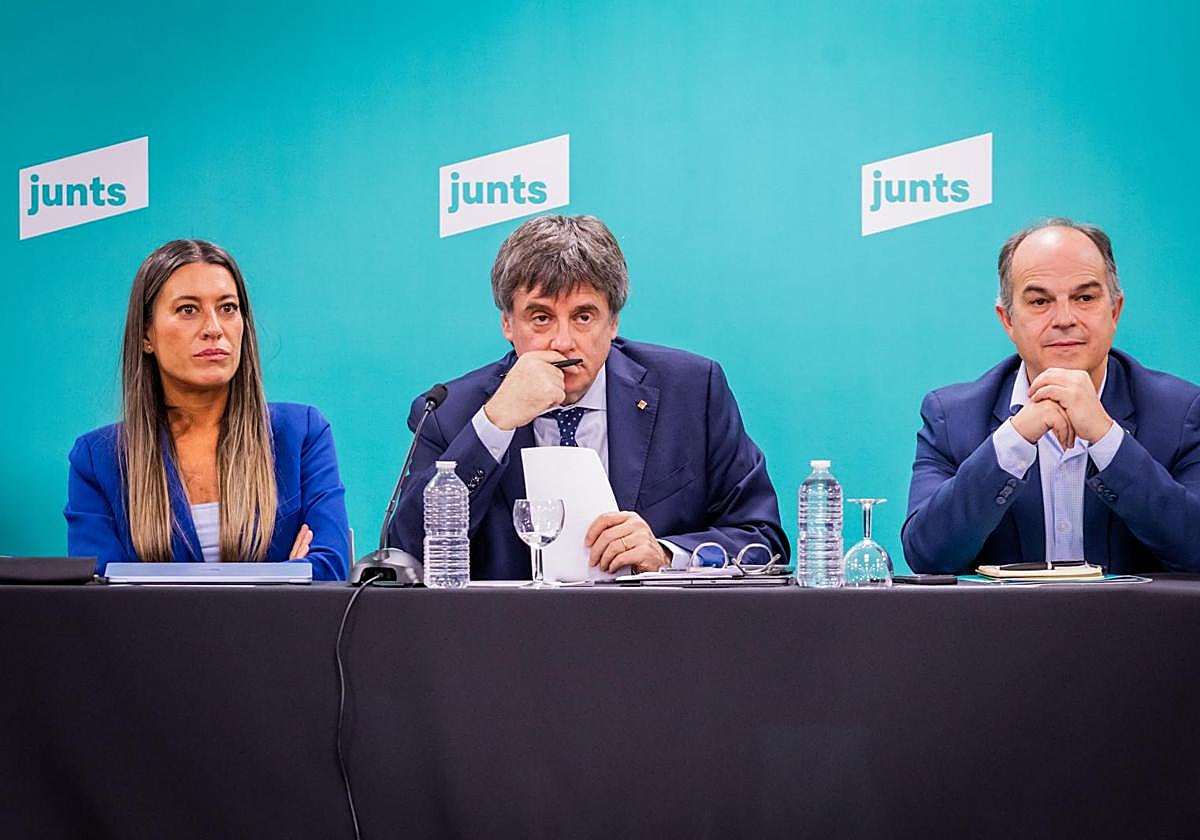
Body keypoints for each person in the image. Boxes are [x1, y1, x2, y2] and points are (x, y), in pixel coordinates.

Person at [388, 214, 788, 579]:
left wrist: (667, 555)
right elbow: (406, 555)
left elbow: (762, 540)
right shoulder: (451, 412)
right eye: (541, 317)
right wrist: (494, 424)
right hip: (507, 645)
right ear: (508, 324)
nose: (563, 342)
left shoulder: (691, 391)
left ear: (612, 322)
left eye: (583, 316)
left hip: (658, 642)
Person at [903, 218, 1200, 575]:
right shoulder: (951, 417)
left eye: (1085, 297)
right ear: (1007, 320)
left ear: (1115, 310)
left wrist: (1108, 439)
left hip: (1133, 629)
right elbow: (928, 555)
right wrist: (1015, 438)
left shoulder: (1181, 412)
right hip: (1003, 630)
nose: (1064, 318)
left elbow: (1194, 549)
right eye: (1040, 301)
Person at [65, 239, 349, 580]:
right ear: (146, 334)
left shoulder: (301, 433)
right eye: (188, 309)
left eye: (228, 308)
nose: (214, 328)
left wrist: (149, 580)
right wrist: (283, 575)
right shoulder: (98, 459)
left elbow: (329, 568)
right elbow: (101, 595)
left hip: (283, 635)